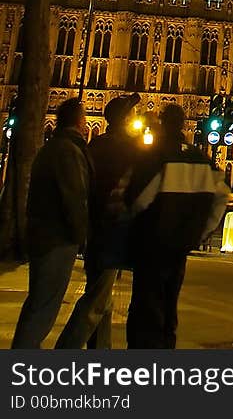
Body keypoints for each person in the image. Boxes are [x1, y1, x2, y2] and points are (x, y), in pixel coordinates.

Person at [125, 103, 229, 349]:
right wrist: (200, 233)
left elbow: (140, 200)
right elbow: (222, 195)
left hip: (152, 245)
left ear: (163, 123)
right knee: (169, 310)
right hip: (180, 247)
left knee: (146, 310)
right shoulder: (198, 158)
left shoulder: (156, 156)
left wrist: (129, 225)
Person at [55, 94, 140, 349]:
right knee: (96, 302)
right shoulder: (128, 148)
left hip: (97, 229)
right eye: (132, 113)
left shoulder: (96, 144)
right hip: (112, 230)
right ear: (125, 119)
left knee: (103, 299)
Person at [12, 98, 92, 349]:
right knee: (44, 307)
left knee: (39, 302)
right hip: (56, 238)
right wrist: (82, 236)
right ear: (80, 122)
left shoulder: (52, 148)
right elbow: (75, 196)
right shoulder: (67, 151)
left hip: (43, 234)